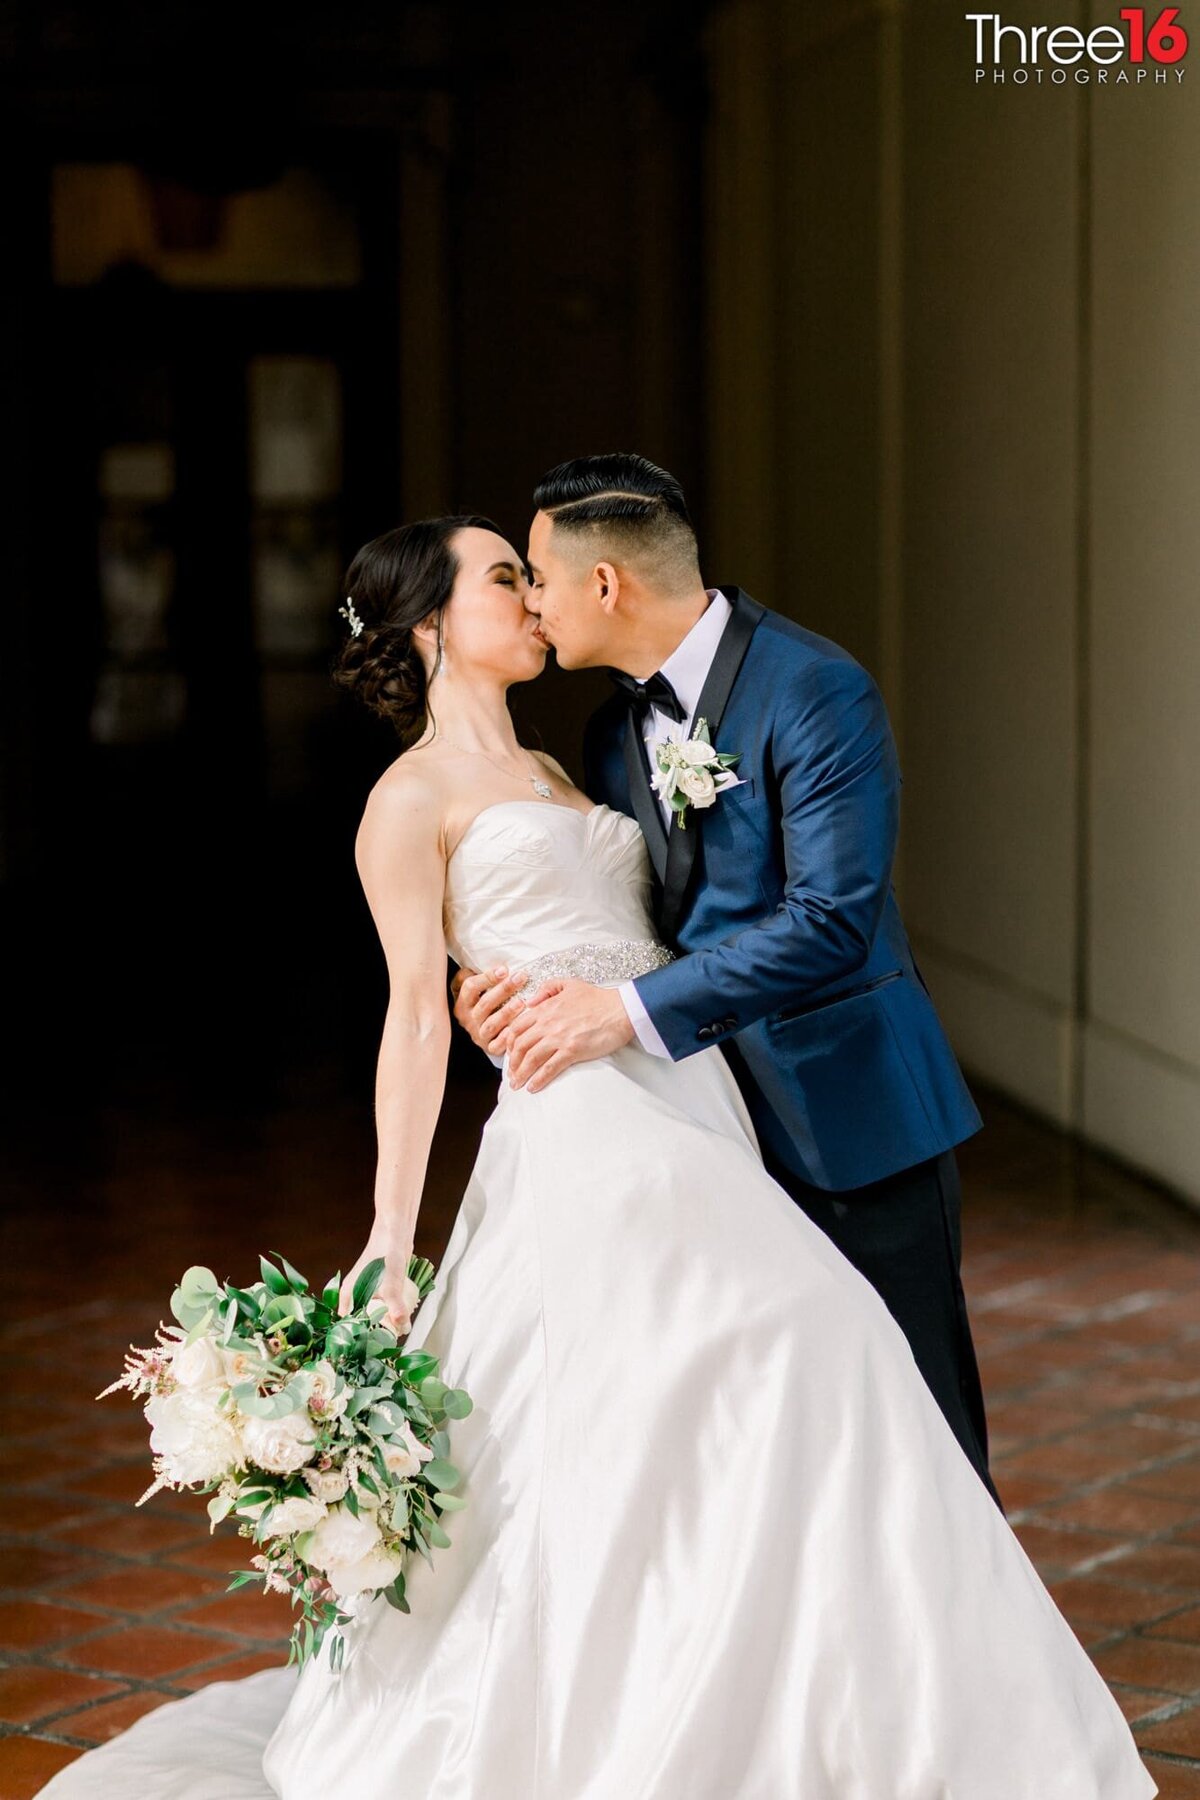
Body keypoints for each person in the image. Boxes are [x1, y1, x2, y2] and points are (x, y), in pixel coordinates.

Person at [38, 512, 1157, 1799]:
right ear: (427, 625)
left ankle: (781, 1682)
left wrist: (613, 989)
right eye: (503, 579)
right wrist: (391, 1241)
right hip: (583, 1131)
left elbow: (665, 935)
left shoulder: (587, 769)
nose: (533, 597)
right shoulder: (407, 801)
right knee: (793, 1338)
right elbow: (412, 1016)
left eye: (534, 572)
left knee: (729, 1406)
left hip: (692, 1098)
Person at [455, 454, 998, 1504]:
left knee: (922, 1420)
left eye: (537, 574)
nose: (529, 599)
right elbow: (630, 922)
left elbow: (833, 921)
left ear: (605, 584)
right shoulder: (613, 733)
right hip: (703, 1128)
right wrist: (515, 990)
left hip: (854, 1114)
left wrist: (621, 1013)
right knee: (776, 1431)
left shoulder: (816, 688)